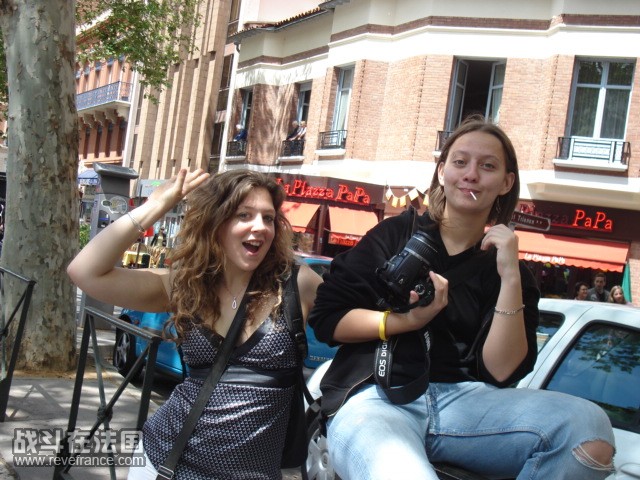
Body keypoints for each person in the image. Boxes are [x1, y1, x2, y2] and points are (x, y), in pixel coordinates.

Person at [308, 116, 615, 480]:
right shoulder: (398, 234)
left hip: (467, 408)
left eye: (487, 166)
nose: (471, 175)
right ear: (442, 172)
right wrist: (405, 321)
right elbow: (327, 318)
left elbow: (501, 370)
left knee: (588, 428)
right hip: (376, 398)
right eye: (460, 162)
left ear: (506, 182)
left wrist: (510, 276)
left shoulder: (511, 272)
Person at [67, 168, 323, 479]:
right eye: (244, 215)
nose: (260, 226)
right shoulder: (185, 285)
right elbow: (85, 272)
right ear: (216, 222)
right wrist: (155, 206)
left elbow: (353, 320)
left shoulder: (297, 284)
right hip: (164, 463)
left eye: (268, 218)